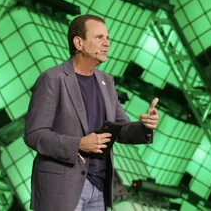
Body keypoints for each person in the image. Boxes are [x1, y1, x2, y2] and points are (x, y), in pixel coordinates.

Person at [24, 15, 160, 211]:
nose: (107, 44)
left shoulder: (107, 82)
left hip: (99, 187)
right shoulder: (53, 79)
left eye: (107, 38)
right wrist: (78, 145)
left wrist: (145, 126)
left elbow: (121, 129)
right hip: (63, 189)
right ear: (79, 43)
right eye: (99, 38)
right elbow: (34, 134)